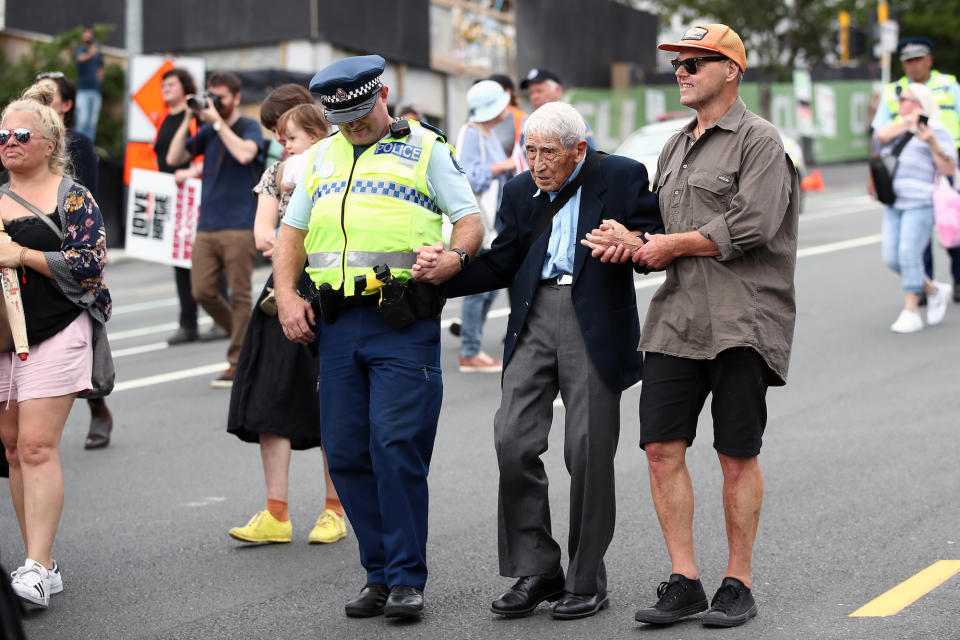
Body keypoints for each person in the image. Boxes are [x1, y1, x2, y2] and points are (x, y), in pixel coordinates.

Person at [583, 24, 799, 628]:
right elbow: (667, 226)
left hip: (742, 319)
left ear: (731, 70)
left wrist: (665, 245)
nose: (683, 70)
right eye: (678, 62)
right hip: (677, 320)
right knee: (659, 449)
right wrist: (635, 240)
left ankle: (739, 582)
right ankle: (685, 580)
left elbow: (751, 225)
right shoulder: (675, 146)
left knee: (736, 454)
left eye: (697, 61)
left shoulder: (760, 140)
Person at [418, 101, 662, 620]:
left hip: (593, 318)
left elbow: (655, 236)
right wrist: (448, 271)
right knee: (512, 438)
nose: (536, 162)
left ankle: (585, 577)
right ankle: (538, 567)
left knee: (588, 450)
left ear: (579, 149)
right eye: (528, 150)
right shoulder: (518, 190)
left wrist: (632, 242)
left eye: (548, 152)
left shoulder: (620, 175)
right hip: (532, 316)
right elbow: (504, 259)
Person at [274, 54, 482, 621]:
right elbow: (291, 232)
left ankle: (407, 578)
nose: (354, 125)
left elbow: (470, 219)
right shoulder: (320, 156)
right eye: (342, 117)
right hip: (336, 324)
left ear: (383, 94)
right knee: (344, 451)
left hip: (400, 320)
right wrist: (288, 297)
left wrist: (455, 257)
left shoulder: (427, 148)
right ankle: (378, 573)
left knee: (396, 445)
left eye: (361, 113)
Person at [0, 83, 111, 608]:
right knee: (12, 448)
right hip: (3, 338)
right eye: (3, 135)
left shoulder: (72, 197)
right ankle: (38, 560)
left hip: (58, 329)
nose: (10, 142)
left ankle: (38, 565)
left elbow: (90, 265)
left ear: (49, 142)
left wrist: (19, 254)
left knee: (37, 445)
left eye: (22, 134)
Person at [227, 95, 347, 546]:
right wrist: (280, 242)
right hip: (282, 287)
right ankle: (276, 512)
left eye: (290, 135)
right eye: (279, 137)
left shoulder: (342, 166)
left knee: (333, 401)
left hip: (332, 284)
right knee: (270, 396)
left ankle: (335, 509)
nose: (283, 144)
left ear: (318, 132)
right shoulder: (276, 172)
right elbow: (262, 232)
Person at [167, 71, 264, 387]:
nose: (214, 103)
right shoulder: (207, 129)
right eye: (211, 96)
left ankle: (238, 362)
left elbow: (245, 153)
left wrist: (218, 123)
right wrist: (190, 117)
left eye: (220, 97)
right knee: (202, 291)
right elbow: (174, 156)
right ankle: (245, 335)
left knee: (240, 296)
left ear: (236, 98)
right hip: (206, 224)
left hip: (240, 224)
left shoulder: (246, 126)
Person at [34, 72, 112, 450]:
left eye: (49, 96)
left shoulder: (77, 142)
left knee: (80, 334)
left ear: (65, 105)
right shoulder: (16, 142)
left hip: (65, 246)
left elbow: (88, 199)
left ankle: (97, 405)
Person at [872, 37, 960, 303]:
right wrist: (872, 175)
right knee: (916, 240)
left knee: (953, 228)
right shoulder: (894, 91)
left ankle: (957, 278)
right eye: (908, 61)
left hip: (949, 160)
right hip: (910, 167)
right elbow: (878, 136)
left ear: (929, 60)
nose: (913, 65)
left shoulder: (948, 84)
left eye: (918, 59)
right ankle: (924, 285)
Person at [875, 83, 954, 332]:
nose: (899, 103)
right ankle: (934, 289)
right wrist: (911, 122)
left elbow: (948, 169)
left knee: (909, 254)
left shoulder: (939, 130)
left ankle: (911, 310)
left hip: (920, 203)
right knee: (892, 258)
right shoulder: (898, 128)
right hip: (894, 202)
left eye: (904, 99)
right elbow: (881, 136)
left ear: (919, 102)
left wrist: (932, 143)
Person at [453, 80, 516, 372]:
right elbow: (468, 177)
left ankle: (471, 346)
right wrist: (503, 167)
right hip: (480, 220)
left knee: (490, 285)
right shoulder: (471, 133)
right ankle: (469, 350)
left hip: (494, 221)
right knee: (479, 285)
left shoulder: (485, 133)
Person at [153, 68, 207, 346]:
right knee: (179, 259)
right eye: (164, 85)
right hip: (172, 196)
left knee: (201, 258)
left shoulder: (194, 119)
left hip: (192, 194)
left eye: (172, 84)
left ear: (185, 88)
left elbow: (204, 154)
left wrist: (190, 173)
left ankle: (218, 316)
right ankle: (189, 321)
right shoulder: (164, 119)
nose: (166, 89)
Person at [520, 67, 595, 149]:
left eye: (539, 91)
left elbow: (591, 158)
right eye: (531, 92)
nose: (534, 97)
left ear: (558, 90)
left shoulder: (574, 121)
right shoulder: (528, 124)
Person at [488, 73, 528, 168]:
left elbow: (525, 154)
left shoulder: (521, 118)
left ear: (508, 93)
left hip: (509, 178)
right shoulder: (478, 118)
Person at [73, 27, 103, 142]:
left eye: (89, 34)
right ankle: (79, 147)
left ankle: (88, 149)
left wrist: (98, 78)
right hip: (83, 90)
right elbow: (80, 59)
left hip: (96, 91)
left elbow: (101, 67)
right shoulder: (80, 50)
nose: (87, 37)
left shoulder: (98, 53)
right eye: (85, 34)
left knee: (92, 123)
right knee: (83, 120)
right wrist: (91, 53)